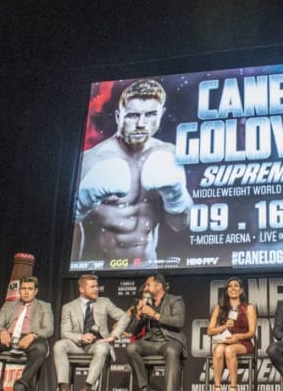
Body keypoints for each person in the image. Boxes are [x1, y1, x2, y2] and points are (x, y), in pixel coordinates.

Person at [73, 78, 193, 266]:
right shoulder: (91, 159)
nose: (141, 124)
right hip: (99, 269)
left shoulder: (169, 154)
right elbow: (71, 231)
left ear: (161, 114)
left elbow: (178, 225)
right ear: (118, 116)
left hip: (148, 269)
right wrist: (79, 206)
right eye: (133, 115)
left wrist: (175, 197)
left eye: (151, 114)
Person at [54, 274, 130, 391]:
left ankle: (88, 387)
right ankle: (64, 386)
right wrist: (81, 337)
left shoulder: (104, 302)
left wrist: (113, 336)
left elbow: (125, 317)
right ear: (82, 289)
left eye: (97, 286)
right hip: (77, 346)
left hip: (97, 344)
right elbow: (64, 332)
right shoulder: (68, 307)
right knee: (59, 345)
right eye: (92, 287)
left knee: (103, 348)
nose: (96, 289)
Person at [0, 276, 53, 391]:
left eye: (30, 289)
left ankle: (21, 385)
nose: (26, 292)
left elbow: (48, 329)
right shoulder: (9, 305)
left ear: (35, 291)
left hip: (30, 337)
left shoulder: (44, 306)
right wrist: (2, 331)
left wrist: (32, 335)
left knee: (40, 348)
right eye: (23, 289)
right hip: (9, 336)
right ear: (19, 290)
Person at [126, 273, 186, 391]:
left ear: (159, 286)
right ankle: (144, 387)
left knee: (172, 350)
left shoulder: (175, 300)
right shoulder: (147, 303)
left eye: (148, 285)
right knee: (131, 348)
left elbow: (179, 321)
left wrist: (154, 314)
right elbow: (133, 332)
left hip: (169, 341)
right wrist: (138, 316)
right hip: (150, 342)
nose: (145, 288)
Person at [206, 277, 257, 391]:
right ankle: (217, 387)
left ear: (241, 290)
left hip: (243, 343)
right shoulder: (219, 307)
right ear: (226, 290)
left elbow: (252, 333)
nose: (233, 288)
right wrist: (224, 326)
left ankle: (233, 387)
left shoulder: (249, 307)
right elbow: (209, 331)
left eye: (236, 286)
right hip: (226, 341)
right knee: (219, 349)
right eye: (230, 286)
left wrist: (238, 337)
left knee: (229, 350)